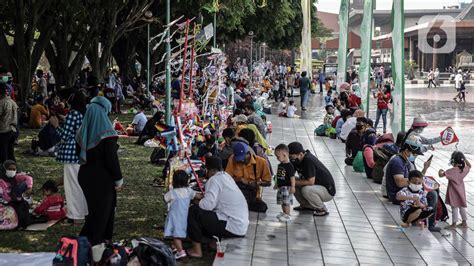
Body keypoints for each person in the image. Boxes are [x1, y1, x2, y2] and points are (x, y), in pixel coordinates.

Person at [76, 96, 124, 245]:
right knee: (101, 216)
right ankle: (91, 246)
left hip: (85, 175)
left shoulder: (83, 132)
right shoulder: (107, 134)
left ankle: (97, 244)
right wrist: (118, 178)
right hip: (101, 179)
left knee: (96, 213)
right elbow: (111, 160)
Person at [187, 156, 249, 258]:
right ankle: (214, 241)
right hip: (240, 226)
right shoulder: (226, 176)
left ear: (210, 170)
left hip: (232, 226)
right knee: (207, 213)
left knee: (194, 211)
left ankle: (196, 251)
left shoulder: (214, 180)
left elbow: (208, 205)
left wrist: (196, 201)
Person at [384, 135, 441, 232]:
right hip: (399, 194)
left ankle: (420, 218)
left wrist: (425, 168)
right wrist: (418, 183)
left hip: (409, 191)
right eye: (414, 154)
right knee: (433, 194)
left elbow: (415, 178)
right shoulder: (398, 162)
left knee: (433, 190)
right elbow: (400, 182)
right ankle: (429, 224)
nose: (415, 156)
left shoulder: (405, 161)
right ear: (406, 151)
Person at [50, 89, 88, 223]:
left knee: (72, 185)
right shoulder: (84, 112)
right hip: (81, 151)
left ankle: (75, 215)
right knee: (80, 183)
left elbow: (65, 135)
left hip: (71, 153)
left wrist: (56, 126)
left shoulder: (74, 113)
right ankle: (83, 212)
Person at [288, 142, 336, 216]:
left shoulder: (308, 160)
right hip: (316, 187)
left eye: (291, 157)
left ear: (300, 154)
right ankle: (306, 205)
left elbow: (310, 182)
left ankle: (321, 208)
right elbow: (291, 174)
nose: (290, 159)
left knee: (305, 189)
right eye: (289, 157)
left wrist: (292, 182)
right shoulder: (296, 160)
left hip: (327, 191)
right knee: (292, 181)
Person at [164, 170, 202, 259]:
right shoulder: (189, 191)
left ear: (174, 181)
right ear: (187, 181)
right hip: (184, 216)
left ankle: (181, 252)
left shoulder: (172, 193)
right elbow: (198, 196)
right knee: (178, 233)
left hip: (174, 217)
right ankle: (175, 247)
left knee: (176, 235)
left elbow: (165, 199)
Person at [225, 142, 271, 212]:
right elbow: (226, 179)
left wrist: (256, 183)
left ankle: (243, 205)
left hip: (252, 194)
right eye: (239, 159)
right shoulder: (232, 159)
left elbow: (268, 182)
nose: (241, 160)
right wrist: (239, 179)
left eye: (243, 158)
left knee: (263, 207)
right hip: (237, 192)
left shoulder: (261, 162)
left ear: (248, 153)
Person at [439, 151, 471, 229]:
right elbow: (469, 166)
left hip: (453, 193)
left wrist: (440, 170)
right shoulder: (463, 169)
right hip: (461, 191)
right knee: (461, 207)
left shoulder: (451, 171)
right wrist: (465, 159)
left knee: (454, 207)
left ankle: (454, 224)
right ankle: (464, 223)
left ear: (453, 161)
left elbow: (440, 175)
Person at [273, 144, 296, 222]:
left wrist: (293, 187)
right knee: (282, 201)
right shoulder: (280, 165)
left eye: (278, 157)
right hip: (281, 187)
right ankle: (284, 213)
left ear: (285, 155)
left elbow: (292, 177)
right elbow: (278, 175)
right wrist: (276, 184)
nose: (277, 158)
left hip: (287, 187)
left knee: (286, 202)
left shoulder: (289, 166)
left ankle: (287, 215)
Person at [0, 83, 17, 164]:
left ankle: (4, 172)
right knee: (11, 153)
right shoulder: (13, 102)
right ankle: (15, 171)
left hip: (4, 131)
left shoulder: (2, 103)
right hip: (13, 130)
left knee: (3, 154)